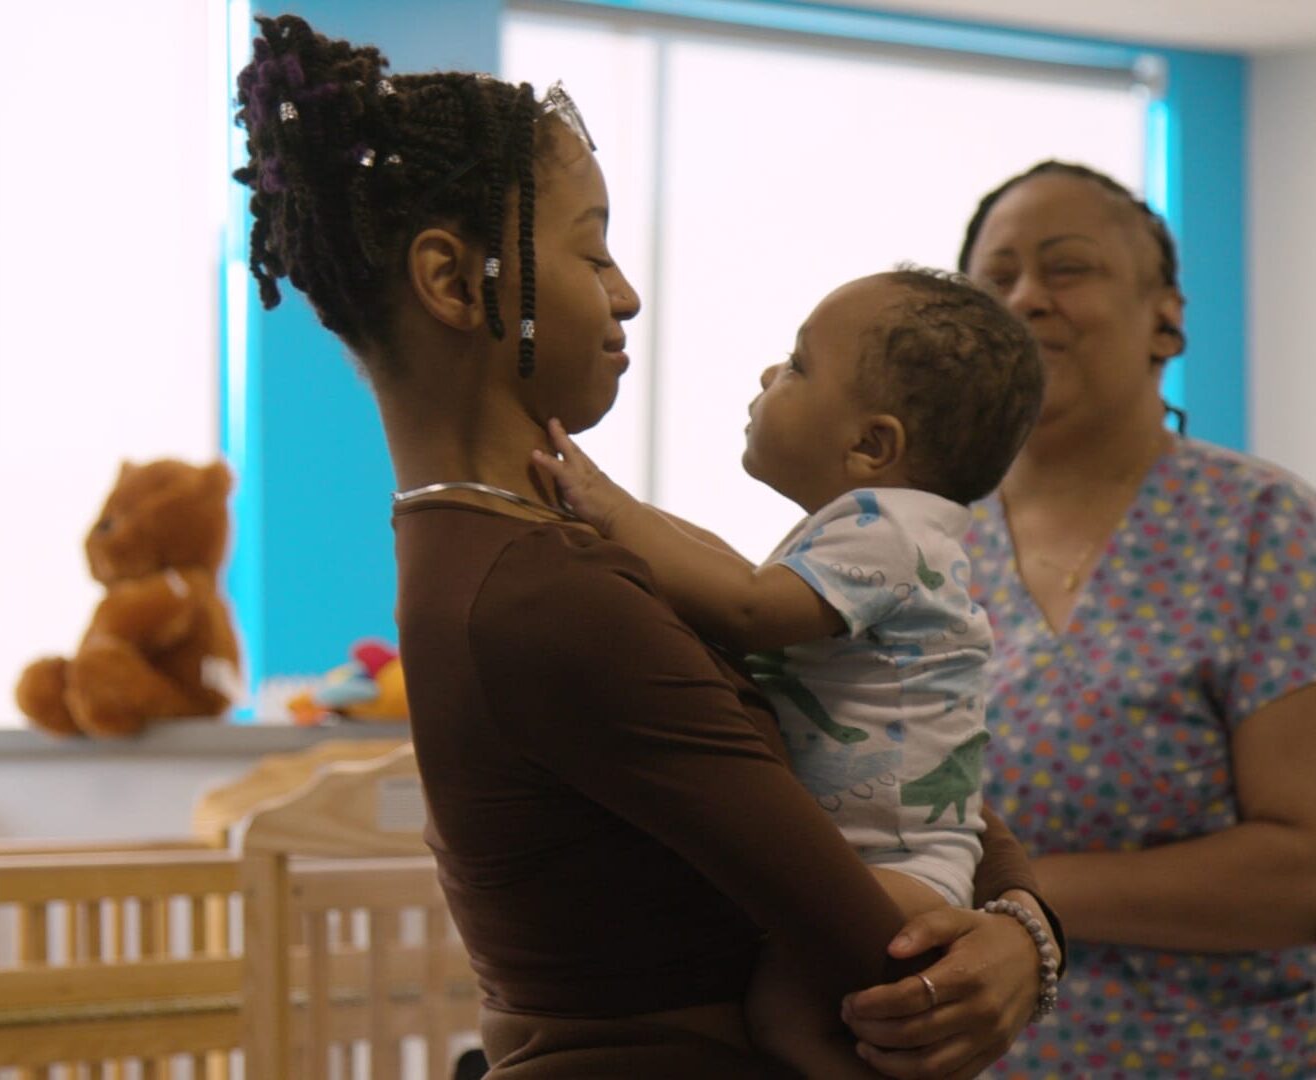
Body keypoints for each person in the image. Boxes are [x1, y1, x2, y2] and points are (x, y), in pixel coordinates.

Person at [233, 14, 1062, 1077]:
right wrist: (1027, 939)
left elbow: (899, 750)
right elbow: (883, 962)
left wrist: (1026, 923)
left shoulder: (543, 551)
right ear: (454, 282)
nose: (625, 291)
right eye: (591, 251)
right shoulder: (547, 602)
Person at [532, 267, 1043, 926]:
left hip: (903, 870)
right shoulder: (880, 532)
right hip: (878, 860)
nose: (769, 373)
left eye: (798, 365)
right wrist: (617, 516)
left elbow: (745, 607)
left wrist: (611, 508)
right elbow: (730, 568)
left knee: (771, 971)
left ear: (870, 444)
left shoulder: (891, 532)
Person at [957, 159, 1316, 1077]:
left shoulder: (1263, 528)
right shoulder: (913, 541)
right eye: (997, 279)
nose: (1027, 298)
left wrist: (1023, 903)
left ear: (1166, 317)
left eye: (1067, 268)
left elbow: (1304, 865)